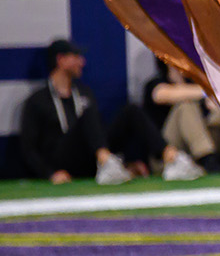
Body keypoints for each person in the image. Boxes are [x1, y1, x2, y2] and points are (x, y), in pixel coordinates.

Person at [16, 40, 134, 185]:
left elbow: (97, 132)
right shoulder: (37, 101)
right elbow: (29, 148)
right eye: (76, 56)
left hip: (88, 158)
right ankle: (107, 163)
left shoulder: (85, 93)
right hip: (61, 161)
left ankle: (167, 158)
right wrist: (49, 173)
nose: (82, 62)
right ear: (61, 60)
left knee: (131, 111)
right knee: (87, 114)